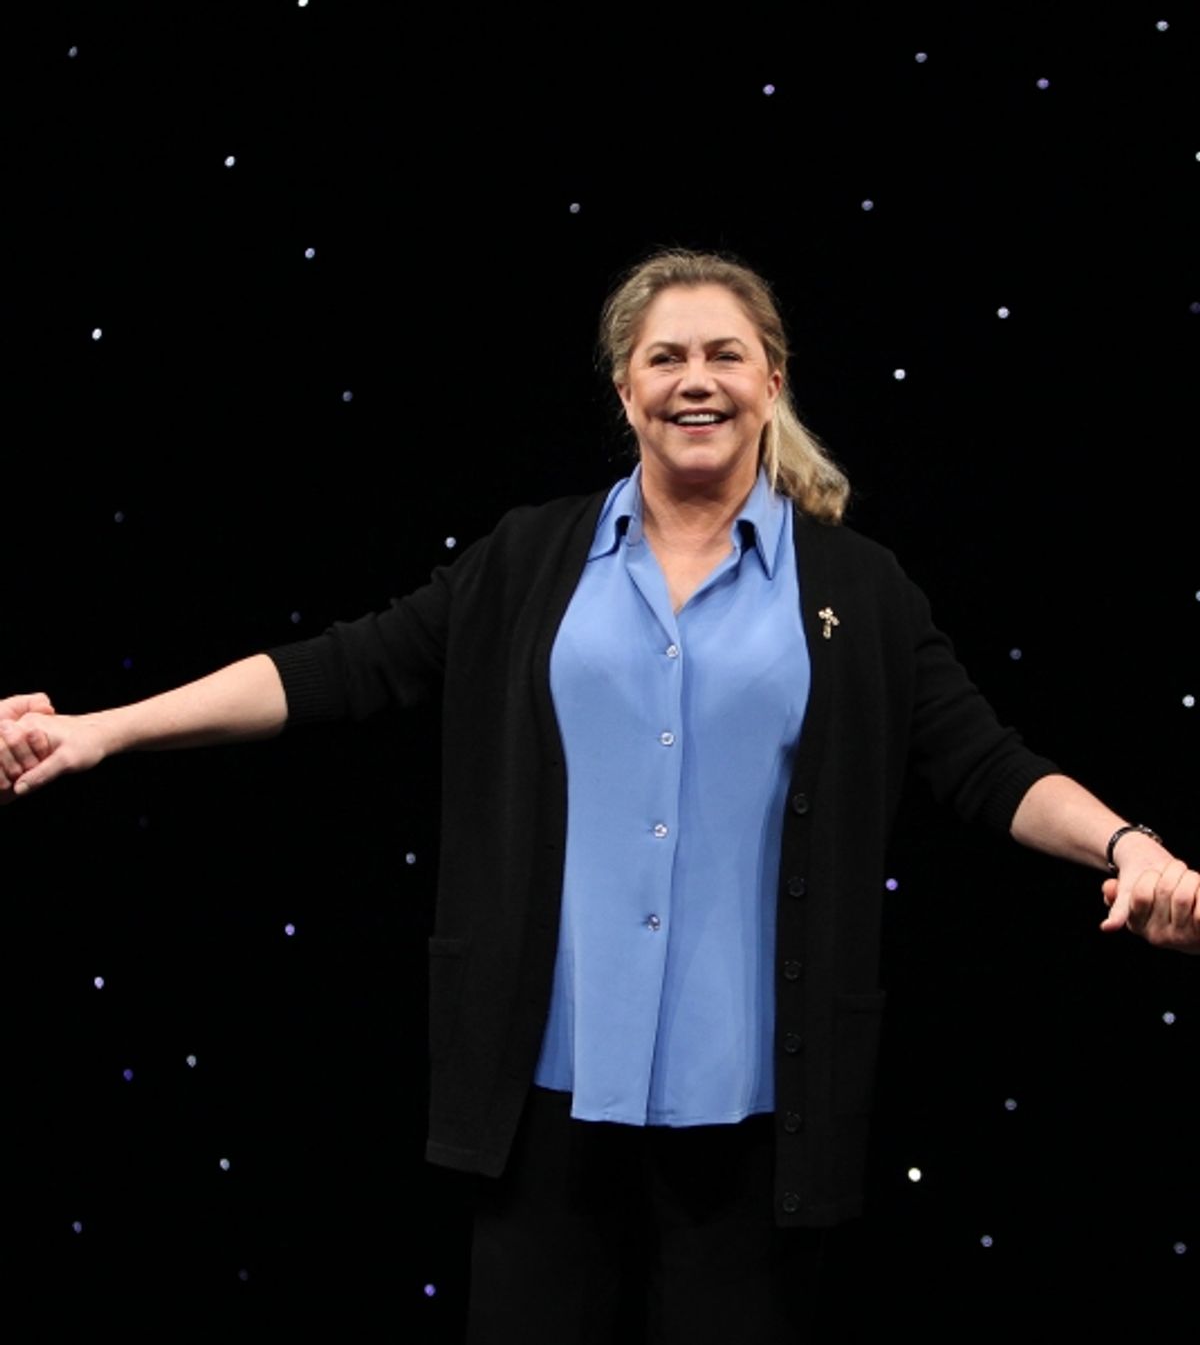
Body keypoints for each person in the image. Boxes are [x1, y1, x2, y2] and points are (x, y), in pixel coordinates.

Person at [2, 250, 1197, 1343]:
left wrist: (1127, 843)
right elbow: (340, 668)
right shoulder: (533, 559)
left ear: (771, 382)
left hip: (753, 1107)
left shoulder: (857, 589)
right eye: (664, 355)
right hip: (544, 1095)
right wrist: (103, 729)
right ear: (624, 391)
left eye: (725, 353)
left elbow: (983, 762)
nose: (696, 379)